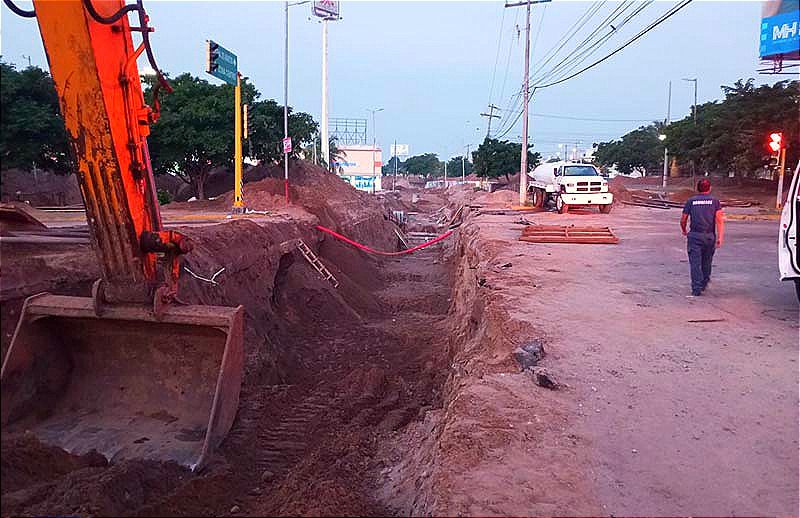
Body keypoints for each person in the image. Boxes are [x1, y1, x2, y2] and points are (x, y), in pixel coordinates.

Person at [680, 179, 725, 296]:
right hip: (709, 236)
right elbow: (719, 220)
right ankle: (704, 282)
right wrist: (720, 237)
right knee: (707, 261)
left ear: (697, 189)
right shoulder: (715, 202)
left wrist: (684, 230)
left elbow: (683, 219)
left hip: (694, 235)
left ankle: (696, 288)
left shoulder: (691, 201)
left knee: (695, 263)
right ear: (709, 188)